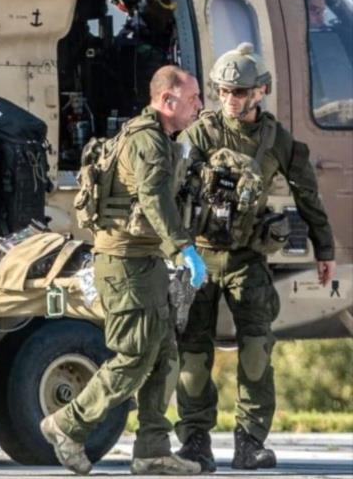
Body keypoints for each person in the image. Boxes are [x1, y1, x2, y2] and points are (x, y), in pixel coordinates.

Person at [174, 43, 336, 472]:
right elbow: (168, 189)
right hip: (200, 259)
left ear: (260, 91)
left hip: (247, 259)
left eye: (240, 92)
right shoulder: (200, 134)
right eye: (225, 90)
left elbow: (308, 196)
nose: (231, 99)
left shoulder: (276, 141)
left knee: (256, 351)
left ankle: (250, 442)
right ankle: (194, 442)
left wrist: (325, 249)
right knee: (191, 354)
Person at [40, 65, 207, 475]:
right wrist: (182, 247)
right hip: (127, 264)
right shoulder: (147, 142)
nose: (200, 105)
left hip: (143, 261)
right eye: (192, 98)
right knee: (134, 355)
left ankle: (151, 449)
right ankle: (67, 423)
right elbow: (153, 197)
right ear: (167, 100)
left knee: (164, 354)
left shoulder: (154, 136)